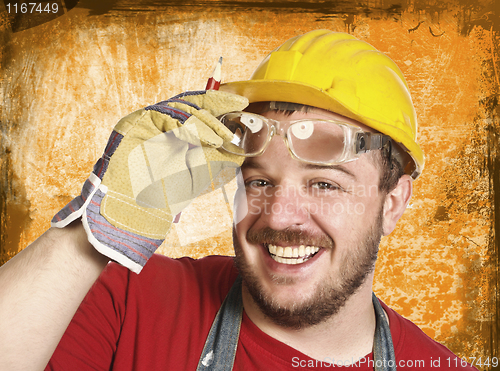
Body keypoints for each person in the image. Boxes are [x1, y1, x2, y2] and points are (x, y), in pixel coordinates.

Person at [0, 30, 477, 371]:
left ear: (393, 202)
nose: (280, 216)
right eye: (260, 182)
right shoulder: (131, 303)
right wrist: (93, 233)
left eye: (324, 184)